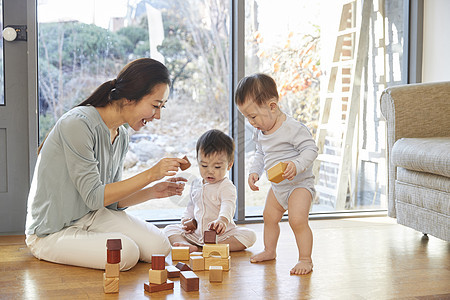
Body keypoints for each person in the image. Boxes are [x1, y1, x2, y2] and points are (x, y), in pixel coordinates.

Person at [25, 58, 189, 271]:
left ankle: (94, 241)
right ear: (130, 98)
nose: (158, 115)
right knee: (126, 253)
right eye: (156, 106)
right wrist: (151, 174)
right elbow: (95, 197)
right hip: (53, 230)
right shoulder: (78, 125)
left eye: (162, 107)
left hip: (92, 216)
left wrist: (153, 191)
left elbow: (110, 202)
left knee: (159, 246)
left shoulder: (121, 134)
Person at [235, 73, 318, 275]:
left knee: (297, 220)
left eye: (252, 116)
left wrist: (296, 164)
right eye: (247, 118)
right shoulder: (260, 131)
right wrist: (255, 171)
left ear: (272, 106)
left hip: (299, 185)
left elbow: (311, 150)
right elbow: (261, 153)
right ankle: (269, 250)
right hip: (278, 187)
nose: (251, 122)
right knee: (269, 216)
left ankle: (305, 259)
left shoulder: (292, 128)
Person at [163, 129, 256, 252]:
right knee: (169, 230)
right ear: (198, 161)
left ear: (229, 165)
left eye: (217, 167)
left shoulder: (226, 186)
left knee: (250, 236)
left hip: (221, 236)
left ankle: (211, 248)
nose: (210, 171)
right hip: (196, 235)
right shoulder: (196, 183)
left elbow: (228, 205)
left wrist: (222, 220)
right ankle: (189, 246)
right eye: (204, 165)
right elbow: (191, 206)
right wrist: (186, 220)